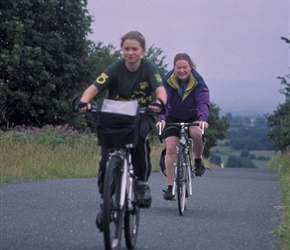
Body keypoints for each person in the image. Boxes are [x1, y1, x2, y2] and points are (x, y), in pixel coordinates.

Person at [78, 31, 167, 230]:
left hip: (142, 115)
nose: (130, 53)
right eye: (126, 48)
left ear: (142, 50)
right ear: (122, 49)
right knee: (105, 160)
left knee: (139, 140)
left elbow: (160, 89)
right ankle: (106, 203)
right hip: (116, 117)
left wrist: (159, 103)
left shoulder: (149, 68)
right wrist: (84, 101)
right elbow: (95, 86)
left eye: (135, 49)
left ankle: (142, 185)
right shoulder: (116, 68)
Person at [157, 53, 210, 201]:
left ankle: (198, 160)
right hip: (172, 116)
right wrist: (161, 118)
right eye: (178, 67)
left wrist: (203, 119)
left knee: (197, 134)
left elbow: (203, 101)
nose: (181, 70)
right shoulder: (168, 80)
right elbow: (162, 100)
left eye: (184, 67)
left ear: (190, 66)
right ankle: (170, 187)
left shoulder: (197, 81)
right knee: (171, 148)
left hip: (193, 115)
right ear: (174, 67)